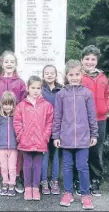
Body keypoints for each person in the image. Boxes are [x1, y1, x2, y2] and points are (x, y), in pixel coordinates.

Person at [53, 60, 98, 209]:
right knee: (67, 166)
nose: (74, 77)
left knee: (82, 166)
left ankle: (85, 195)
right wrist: (56, 136)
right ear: (66, 75)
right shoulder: (61, 94)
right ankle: (68, 193)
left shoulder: (87, 93)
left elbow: (92, 116)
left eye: (77, 74)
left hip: (83, 138)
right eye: (71, 74)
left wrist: (94, 134)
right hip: (65, 138)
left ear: (82, 74)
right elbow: (57, 116)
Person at [0, 50, 27, 193]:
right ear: (2, 64)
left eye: (12, 61)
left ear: (16, 64)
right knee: (2, 151)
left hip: (16, 122)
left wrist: (22, 119)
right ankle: (3, 179)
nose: (9, 64)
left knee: (16, 151)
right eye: (6, 61)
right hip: (1, 122)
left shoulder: (20, 83)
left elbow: (23, 103)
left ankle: (16, 177)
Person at [13, 75, 53, 201]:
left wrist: (45, 137)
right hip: (26, 141)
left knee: (37, 165)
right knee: (27, 165)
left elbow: (49, 123)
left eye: (38, 88)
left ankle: (35, 188)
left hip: (40, 141)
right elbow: (17, 122)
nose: (36, 90)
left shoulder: (47, 105)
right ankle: (28, 187)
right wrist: (20, 136)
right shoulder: (21, 105)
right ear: (27, 88)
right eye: (33, 87)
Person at [78, 45, 109, 196]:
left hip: (100, 119)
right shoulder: (78, 76)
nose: (90, 62)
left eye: (93, 59)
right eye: (87, 59)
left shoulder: (103, 77)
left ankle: (95, 179)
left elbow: (107, 96)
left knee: (96, 150)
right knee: (81, 150)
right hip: (82, 120)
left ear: (96, 61)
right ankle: (80, 179)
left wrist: (106, 107)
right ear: (82, 60)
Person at [40, 65, 63, 195]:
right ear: (43, 75)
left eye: (52, 73)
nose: (49, 75)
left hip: (58, 128)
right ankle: (43, 180)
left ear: (56, 74)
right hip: (43, 128)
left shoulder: (61, 90)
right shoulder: (40, 89)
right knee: (45, 154)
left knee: (55, 156)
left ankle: (54, 181)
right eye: (46, 73)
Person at [0, 91, 18, 196]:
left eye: (10, 104)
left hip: (13, 147)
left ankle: (12, 184)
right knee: (3, 167)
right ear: (1, 105)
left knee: (12, 167)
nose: (8, 107)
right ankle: (5, 183)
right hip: (1, 147)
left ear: (14, 105)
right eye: (5, 104)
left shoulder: (16, 118)